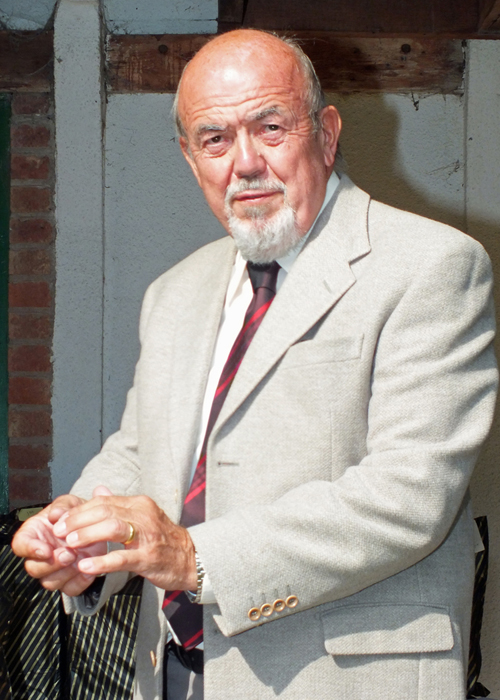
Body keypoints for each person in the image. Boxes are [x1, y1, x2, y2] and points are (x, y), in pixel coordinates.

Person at [12, 28, 497, 700]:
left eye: (270, 126)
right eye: (214, 139)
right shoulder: (173, 292)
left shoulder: (432, 266)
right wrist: (81, 538)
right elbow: (140, 452)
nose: (244, 163)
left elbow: (409, 496)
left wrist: (195, 557)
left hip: (341, 681)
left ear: (326, 135)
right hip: (177, 676)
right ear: (190, 159)